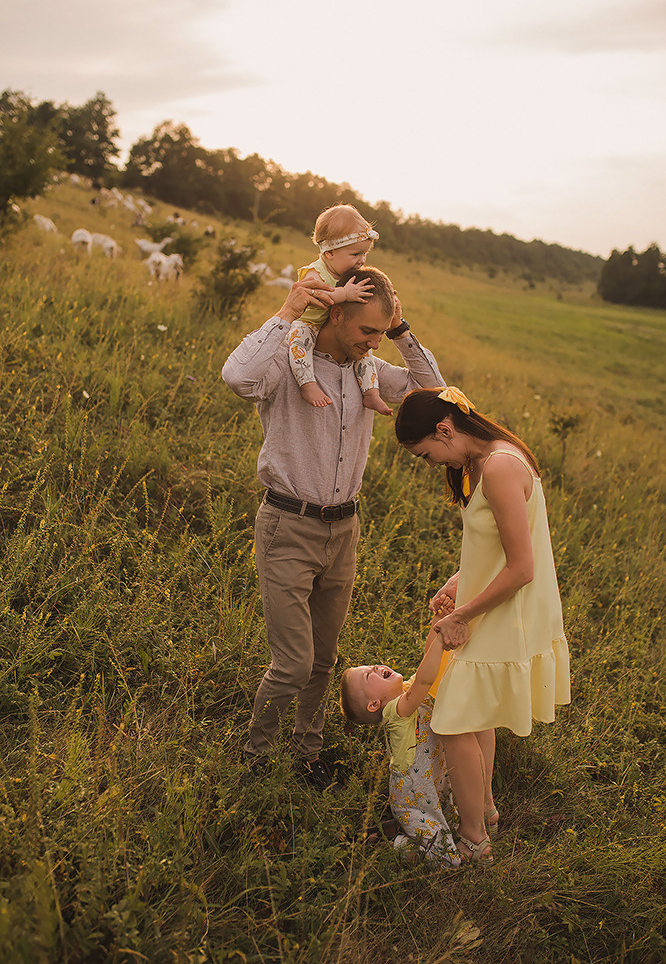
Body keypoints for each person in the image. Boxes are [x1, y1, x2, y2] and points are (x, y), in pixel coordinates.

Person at [222, 267, 444, 789]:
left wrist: (399, 329)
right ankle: (255, 755)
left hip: (344, 529)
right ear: (337, 312)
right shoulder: (286, 361)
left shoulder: (366, 368)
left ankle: (308, 751)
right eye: (367, 330)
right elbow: (237, 377)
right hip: (288, 525)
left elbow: (434, 393)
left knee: (323, 657)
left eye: (380, 333)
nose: (374, 342)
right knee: (294, 663)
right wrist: (289, 310)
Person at [394, 385, 571, 862]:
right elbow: (493, 548)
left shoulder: (497, 466)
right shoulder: (484, 460)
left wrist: (460, 615)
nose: (431, 464)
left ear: (444, 429)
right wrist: (458, 581)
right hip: (494, 602)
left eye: (427, 454)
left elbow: (521, 566)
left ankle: (474, 840)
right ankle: (485, 809)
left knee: (452, 721)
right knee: (477, 715)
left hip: (507, 610)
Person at [340, 613, 461, 867]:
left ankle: (402, 829)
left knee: (456, 829)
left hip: (435, 785)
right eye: (367, 675)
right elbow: (426, 678)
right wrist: (441, 639)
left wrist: (438, 623)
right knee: (447, 860)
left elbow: (428, 662)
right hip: (413, 799)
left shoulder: (406, 691)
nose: (375, 666)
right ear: (374, 704)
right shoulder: (395, 713)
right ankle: (392, 840)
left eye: (370, 665)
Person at [289, 204, 392, 416]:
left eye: (364, 254)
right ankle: (307, 384)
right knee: (299, 344)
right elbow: (317, 296)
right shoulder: (315, 273)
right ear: (330, 252)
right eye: (355, 254)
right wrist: (344, 294)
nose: (361, 260)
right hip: (309, 323)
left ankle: (371, 392)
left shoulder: (347, 273)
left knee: (365, 355)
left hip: (330, 326)